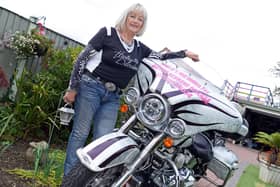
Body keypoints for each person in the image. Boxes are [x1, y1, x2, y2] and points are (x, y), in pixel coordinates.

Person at [63, 3, 200, 176]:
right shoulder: (107, 33)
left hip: (113, 97)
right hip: (91, 87)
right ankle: (69, 179)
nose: (136, 21)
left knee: (103, 141)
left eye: (140, 19)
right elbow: (82, 59)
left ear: (143, 25)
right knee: (80, 134)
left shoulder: (139, 48)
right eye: (133, 16)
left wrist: (184, 53)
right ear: (125, 17)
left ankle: (87, 180)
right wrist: (73, 88)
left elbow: (161, 57)